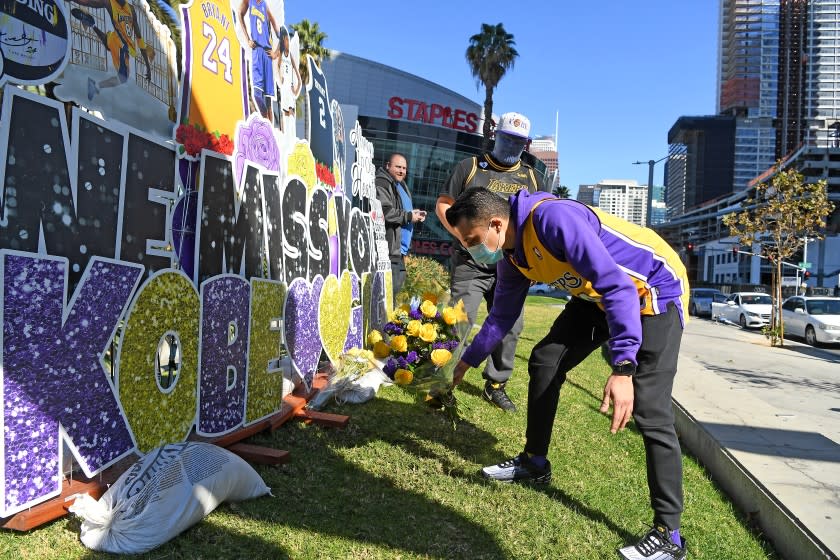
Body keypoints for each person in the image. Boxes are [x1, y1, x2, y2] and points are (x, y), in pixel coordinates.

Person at [447, 187, 689, 560]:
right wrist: (466, 361)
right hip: (598, 298)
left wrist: (623, 367)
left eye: (473, 240)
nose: (471, 249)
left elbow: (619, 287)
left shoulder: (552, 220)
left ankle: (669, 535)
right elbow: (501, 318)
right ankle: (534, 462)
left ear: (496, 223)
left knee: (650, 409)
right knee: (546, 360)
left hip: (651, 291)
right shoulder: (511, 257)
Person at [435, 112, 541, 412]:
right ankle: (444, 379)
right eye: (507, 138)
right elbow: (444, 204)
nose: (512, 145)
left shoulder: (532, 176)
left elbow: (534, 220)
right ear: (496, 135)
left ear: (527, 144)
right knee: (459, 319)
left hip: (511, 265)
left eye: (518, 142)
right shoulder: (469, 167)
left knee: (512, 326)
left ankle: (496, 383)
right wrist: (463, 236)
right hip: (471, 263)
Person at [70, 0, 153, 101]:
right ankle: (95, 86)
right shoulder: (112, 4)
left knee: (108, 44)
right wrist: (148, 67)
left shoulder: (128, 8)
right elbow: (90, 3)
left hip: (116, 40)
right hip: (122, 46)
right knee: (122, 78)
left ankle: (92, 24)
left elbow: (139, 39)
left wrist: (148, 66)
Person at [375, 153, 426, 305]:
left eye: (404, 168)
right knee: (386, 298)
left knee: (393, 295)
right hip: (388, 251)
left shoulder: (401, 184)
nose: (402, 171)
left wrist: (413, 213)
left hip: (400, 251)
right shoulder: (382, 183)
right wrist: (410, 216)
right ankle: (380, 327)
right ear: (387, 165)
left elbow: (400, 210)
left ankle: (386, 326)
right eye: (398, 166)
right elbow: (384, 212)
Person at [239, 0, 281, 120]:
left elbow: (281, 33)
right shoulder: (249, 1)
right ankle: (265, 119)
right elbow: (240, 14)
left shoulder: (265, 6)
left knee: (268, 103)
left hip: (267, 54)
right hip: (257, 50)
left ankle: (270, 131)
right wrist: (247, 39)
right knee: (257, 95)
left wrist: (276, 53)